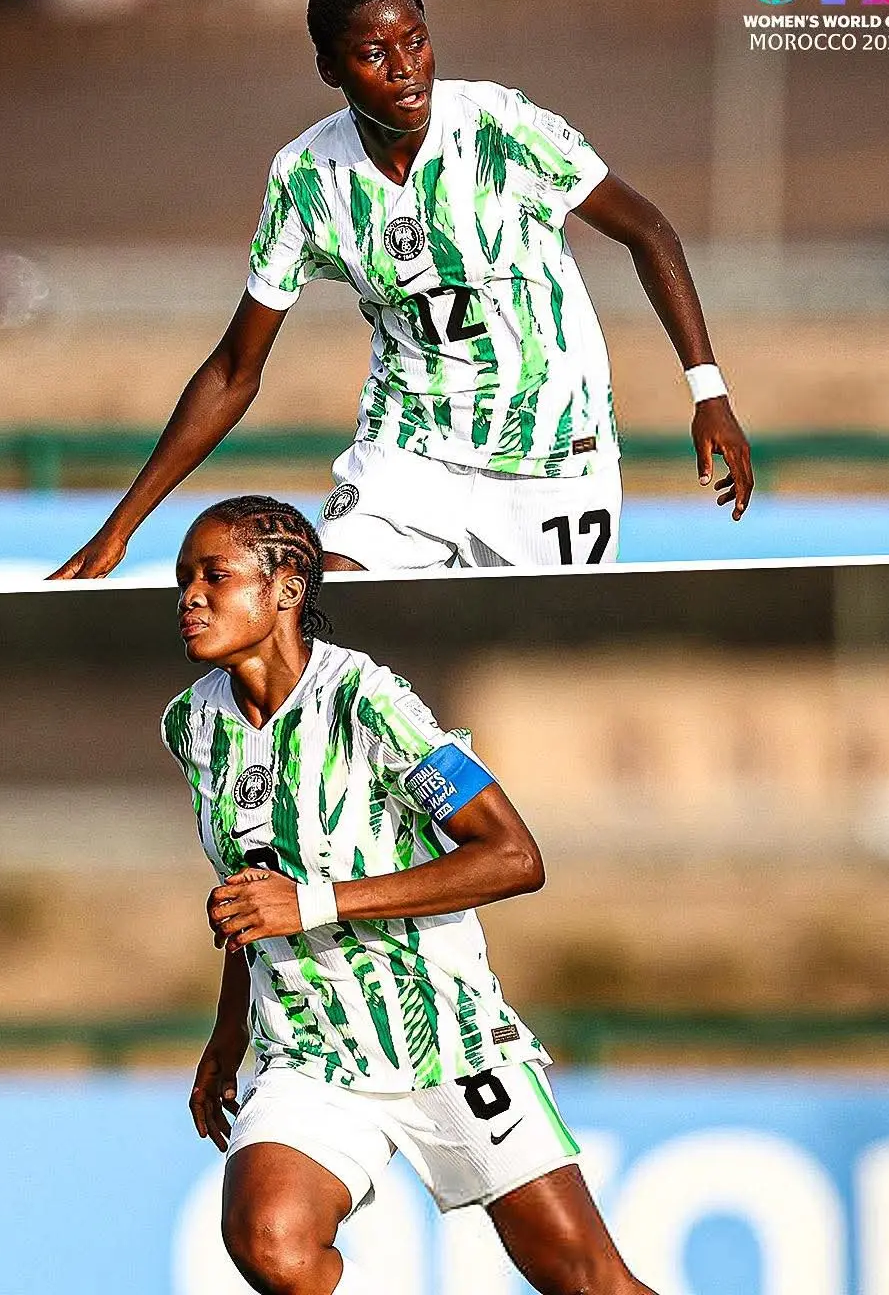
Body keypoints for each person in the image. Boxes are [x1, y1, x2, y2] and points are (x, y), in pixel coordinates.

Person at [54, 0, 751, 578]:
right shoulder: (306, 177)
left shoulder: (498, 128)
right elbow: (236, 370)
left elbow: (650, 232)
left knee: (542, 646)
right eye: (373, 53)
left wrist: (707, 391)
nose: (406, 67)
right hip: (408, 451)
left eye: (416, 42)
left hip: (554, 456)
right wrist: (119, 529)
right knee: (327, 604)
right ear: (331, 69)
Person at [163, 494, 658, 1295]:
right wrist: (230, 1036)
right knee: (271, 1243)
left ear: (286, 588)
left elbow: (513, 856)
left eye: (213, 576)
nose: (188, 597)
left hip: (445, 1039)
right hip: (311, 1051)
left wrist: (315, 904)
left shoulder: (369, 702)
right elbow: (253, 892)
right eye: (182, 579)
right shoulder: (193, 725)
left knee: (589, 1282)